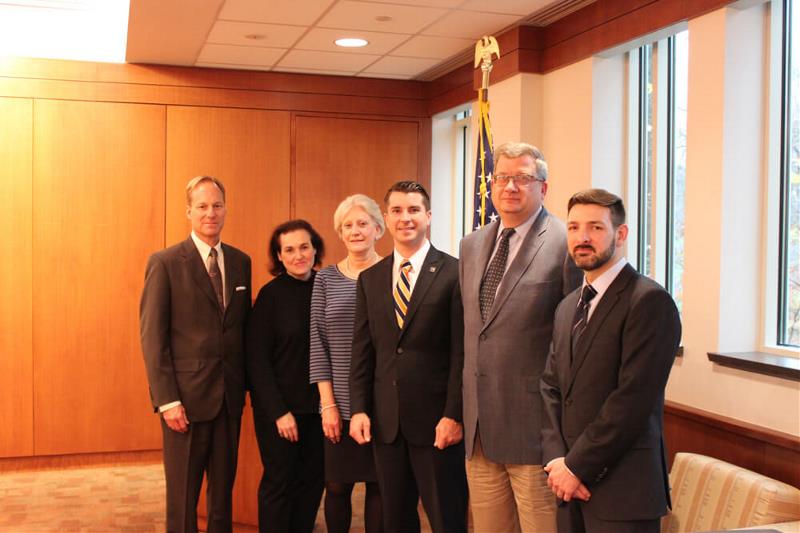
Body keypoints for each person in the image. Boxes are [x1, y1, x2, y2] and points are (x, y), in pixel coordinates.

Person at [541, 189, 681, 533]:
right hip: (567, 487)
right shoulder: (567, 306)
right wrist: (557, 461)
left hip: (623, 492)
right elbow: (551, 387)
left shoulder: (649, 302)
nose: (582, 237)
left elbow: (632, 401)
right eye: (573, 228)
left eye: (595, 228)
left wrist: (576, 467)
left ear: (621, 234)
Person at [459, 142, 580, 532]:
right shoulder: (472, 244)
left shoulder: (565, 243)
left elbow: (574, 343)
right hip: (479, 428)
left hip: (535, 430)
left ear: (543, 188)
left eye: (523, 178)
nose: (510, 186)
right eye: (502, 177)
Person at [349, 181, 468, 533]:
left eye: (414, 210)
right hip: (387, 423)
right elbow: (362, 351)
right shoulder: (369, 279)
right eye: (397, 211)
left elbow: (461, 353)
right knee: (395, 520)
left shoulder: (454, 273)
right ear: (386, 218)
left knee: (446, 518)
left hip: (437, 425)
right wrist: (358, 408)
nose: (406, 218)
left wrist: (453, 414)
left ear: (428, 217)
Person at [140, 175, 252, 533]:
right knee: (183, 498)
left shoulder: (240, 261)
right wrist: (167, 400)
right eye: (202, 206)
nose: (210, 213)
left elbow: (240, 330)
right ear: (188, 211)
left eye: (217, 205)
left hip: (229, 401)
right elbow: (152, 337)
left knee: (223, 498)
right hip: (184, 404)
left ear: (226, 209)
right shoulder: (166, 262)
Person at [309, 194, 385, 533]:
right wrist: (327, 404)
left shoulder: (393, 274)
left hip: (383, 402)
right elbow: (318, 345)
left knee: (379, 487)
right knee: (337, 486)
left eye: (362, 223)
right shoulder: (325, 279)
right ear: (340, 233)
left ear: (378, 229)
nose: (355, 231)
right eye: (347, 226)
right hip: (337, 403)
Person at [246, 220, 326, 533]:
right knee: (279, 483)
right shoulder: (270, 296)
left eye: (304, 247)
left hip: (320, 410)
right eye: (289, 250)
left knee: (312, 482)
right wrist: (279, 412)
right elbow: (257, 362)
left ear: (315, 248)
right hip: (280, 412)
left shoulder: (326, 287)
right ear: (279, 256)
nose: (298, 255)